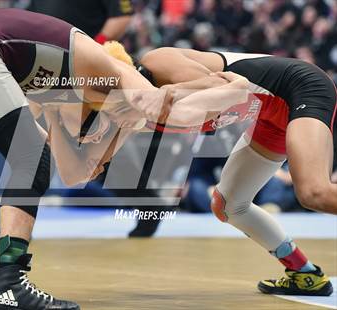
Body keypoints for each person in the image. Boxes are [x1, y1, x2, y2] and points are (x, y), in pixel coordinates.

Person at [0, 8, 157, 309]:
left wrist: (91, 152)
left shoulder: (59, 83)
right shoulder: (105, 69)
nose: (93, 136)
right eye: (97, 127)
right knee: (31, 157)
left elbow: (64, 164)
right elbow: (150, 102)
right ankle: (10, 284)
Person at [130, 46, 335, 296]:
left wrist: (172, 92)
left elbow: (228, 84)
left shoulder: (155, 63)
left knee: (315, 193)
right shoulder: (129, 117)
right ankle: (305, 274)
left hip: (299, 87)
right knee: (227, 204)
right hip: (268, 115)